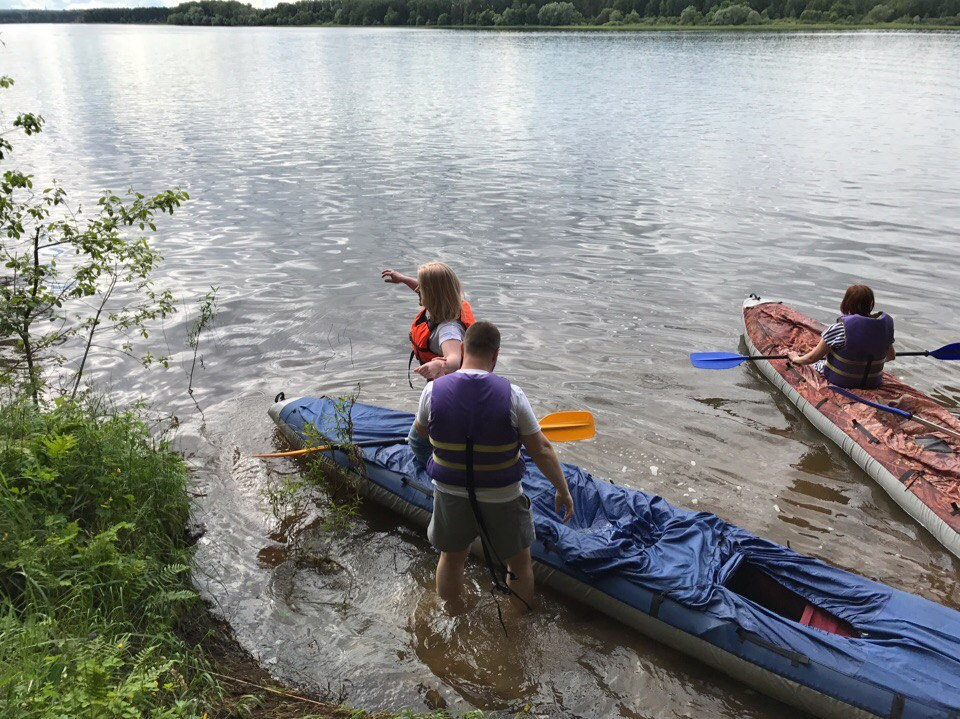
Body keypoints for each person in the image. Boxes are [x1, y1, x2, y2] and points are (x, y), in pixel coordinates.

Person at [405, 320, 574, 611]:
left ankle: (450, 612)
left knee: (452, 558)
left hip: (450, 492)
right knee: (519, 564)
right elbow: (542, 449)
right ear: (495, 355)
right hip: (502, 496)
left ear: (461, 348)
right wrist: (563, 490)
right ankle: (516, 623)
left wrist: (427, 463)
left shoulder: (432, 392)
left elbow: (419, 436)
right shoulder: (513, 395)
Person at [788, 284, 895, 389]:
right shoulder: (883, 329)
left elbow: (812, 358)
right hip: (873, 382)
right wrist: (867, 364)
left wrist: (796, 358)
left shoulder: (839, 329)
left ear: (846, 303)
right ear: (870, 304)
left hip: (841, 381)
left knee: (817, 362)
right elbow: (891, 356)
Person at [381, 262, 474, 382]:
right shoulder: (449, 304)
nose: (417, 289)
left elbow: (454, 360)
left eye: (421, 287)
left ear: (431, 295)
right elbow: (430, 290)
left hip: (449, 391)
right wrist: (404, 279)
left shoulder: (449, 330)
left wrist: (440, 365)